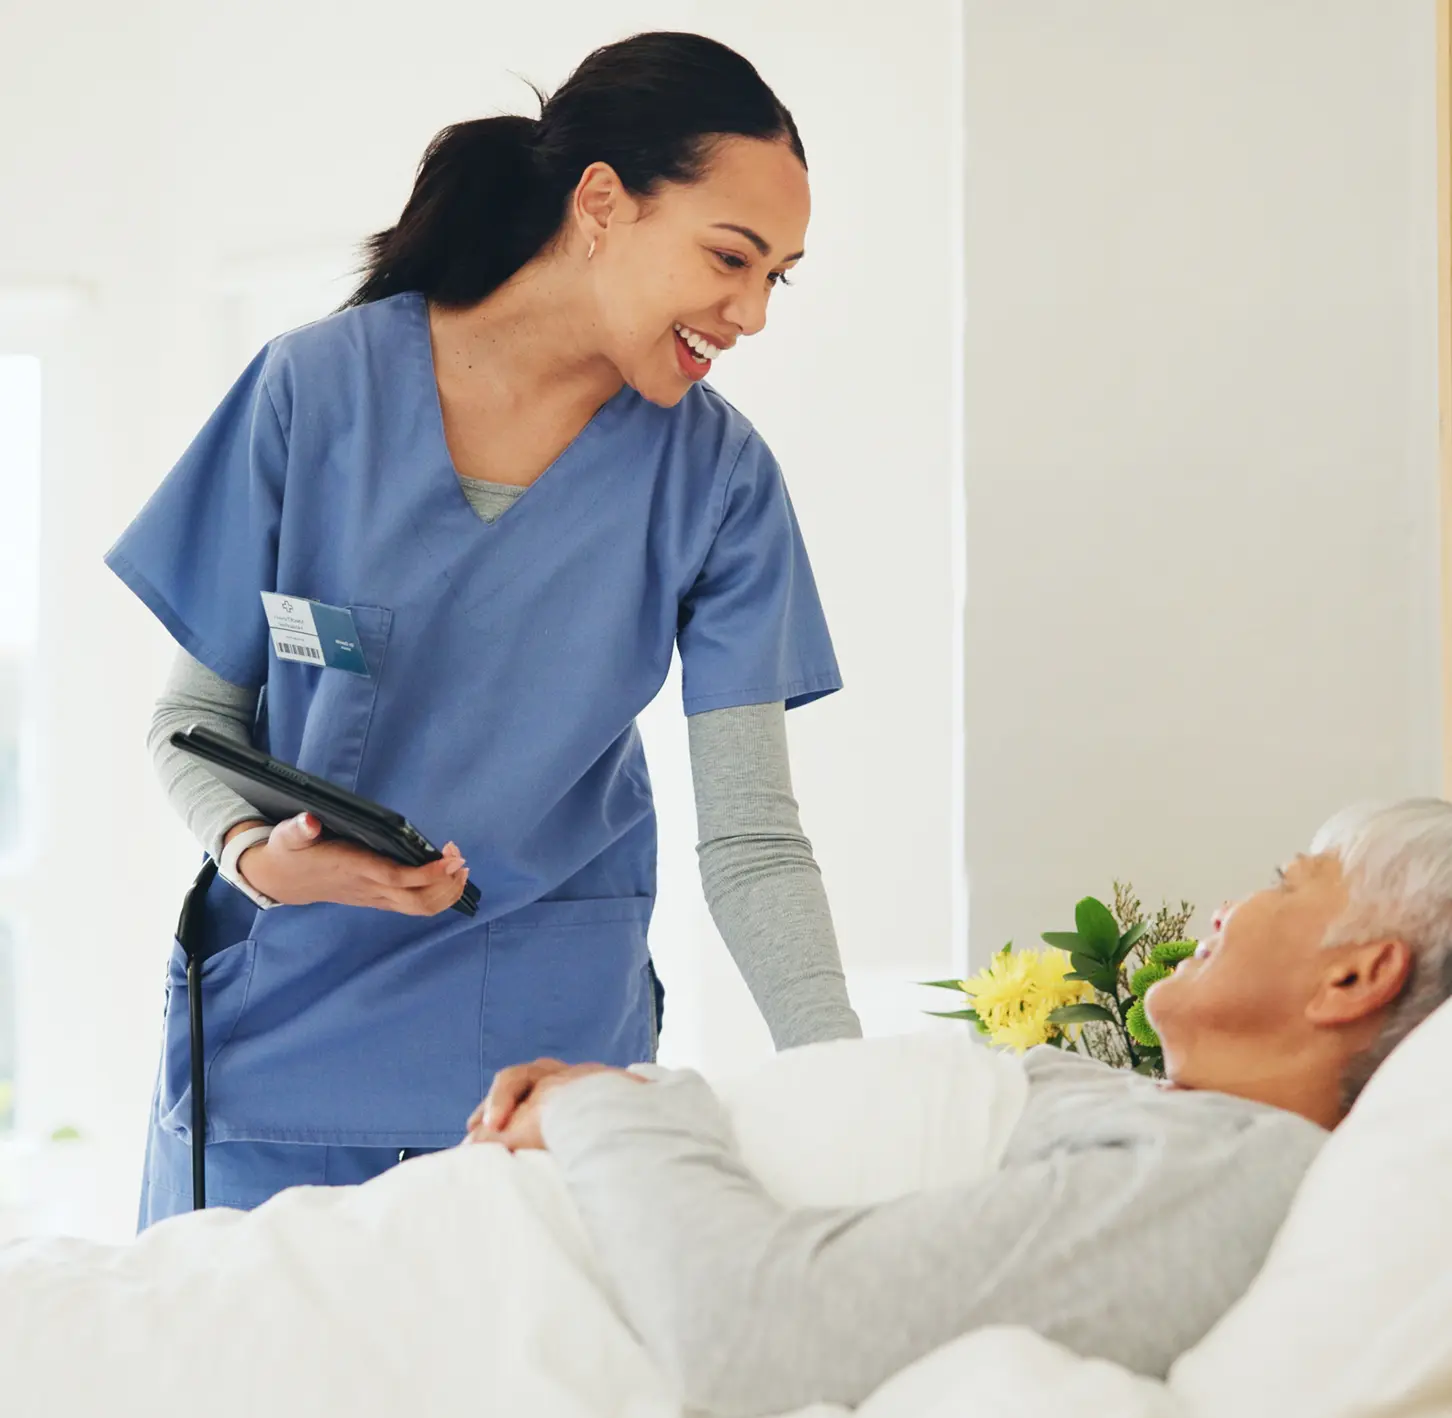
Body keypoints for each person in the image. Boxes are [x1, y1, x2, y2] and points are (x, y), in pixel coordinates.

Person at [106, 30, 860, 1229]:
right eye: (731, 256)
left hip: (548, 1086)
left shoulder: (718, 481)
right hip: (283, 1056)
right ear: (603, 203)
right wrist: (254, 854)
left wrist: (853, 1094)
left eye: (779, 274)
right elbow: (194, 722)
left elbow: (754, 838)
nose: (753, 312)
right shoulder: (314, 394)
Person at [464, 797, 1452, 1415]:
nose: (1230, 906)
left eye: (1287, 882)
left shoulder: (1232, 1169)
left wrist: (608, 1107)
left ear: (1356, 972)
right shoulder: (1175, 1124)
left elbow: (754, 1332)